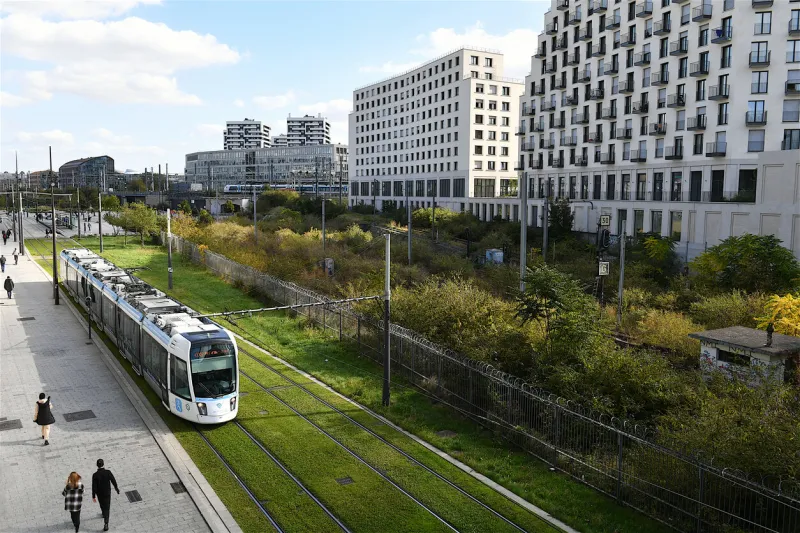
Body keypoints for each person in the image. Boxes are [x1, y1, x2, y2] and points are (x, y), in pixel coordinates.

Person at [92, 459, 119, 531]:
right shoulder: (108, 472)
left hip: (100, 494)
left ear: (97, 465)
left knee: (102, 504)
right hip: (107, 493)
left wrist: (93, 496)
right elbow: (113, 480)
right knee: (107, 507)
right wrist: (116, 488)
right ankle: (106, 523)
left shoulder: (95, 475)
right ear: (103, 464)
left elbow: (94, 486)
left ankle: (103, 514)